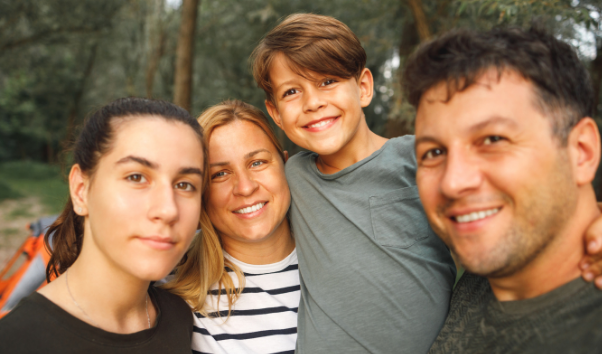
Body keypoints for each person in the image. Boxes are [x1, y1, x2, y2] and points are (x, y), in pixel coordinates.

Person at [251, 13, 457, 353]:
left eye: (327, 81)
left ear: (363, 87)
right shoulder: (291, 178)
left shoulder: (419, 159)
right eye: (292, 91)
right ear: (276, 114)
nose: (313, 103)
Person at [405, 27, 602, 353]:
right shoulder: (490, 269)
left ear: (581, 151)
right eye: (434, 152)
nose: (453, 182)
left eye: (493, 140)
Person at [0, 98, 206, 353]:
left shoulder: (181, 318)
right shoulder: (14, 341)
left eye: (185, 184)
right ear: (80, 190)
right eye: (136, 177)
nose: (168, 210)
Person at [164, 100, 299, 354]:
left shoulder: (339, 264)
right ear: (200, 191)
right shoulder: (169, 292)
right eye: (220, 174)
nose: (245, 187)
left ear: (284, 164)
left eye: (257, 162)